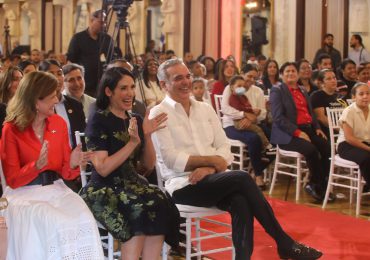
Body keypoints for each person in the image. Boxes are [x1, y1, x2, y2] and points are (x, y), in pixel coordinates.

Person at [150, 58, 323, 260]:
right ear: (163, 84)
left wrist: (211, 167)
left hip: (213, 178)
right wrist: (214, 162)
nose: (186, 82)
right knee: (241, 178)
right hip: (182, 185)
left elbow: (225, 148)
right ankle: (284, 243)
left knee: (240, 201)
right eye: (178, 78)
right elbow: (171, 159)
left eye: (188, 76)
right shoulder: (159, 113)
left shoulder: (205, 109)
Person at [0, 71, 103, 259]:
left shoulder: (58, 123)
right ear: (35, 101)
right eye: (51, 97)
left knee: (84, 218)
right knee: (55, 220)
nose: (57, 100)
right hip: (25, 194)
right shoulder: (12, 129)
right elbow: (12, 180)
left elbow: (65, 172)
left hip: (56, 189)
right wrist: (36, 166)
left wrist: (73, 163)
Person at [80, 67, 179, 259]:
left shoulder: (135, 119)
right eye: (123, 88)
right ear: (109, 92)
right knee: (138, 207)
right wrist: (132, 143)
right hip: (103, 189)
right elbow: (103, 168)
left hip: (132, 184)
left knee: (160, 200)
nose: (130, 93)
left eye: (132, 87)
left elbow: (148, 166)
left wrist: (148, 136)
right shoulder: (98, 120)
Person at [270, 62, 334, 202]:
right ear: (281, 75)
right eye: (287, 71)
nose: (290, 73)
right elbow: (278, 118)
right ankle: (317, 186)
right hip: (287, 134)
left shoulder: (302, 89)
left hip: (308, 129)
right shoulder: (277, 90)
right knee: (311, 150)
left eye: (293, 71)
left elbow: (310, 112)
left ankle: (318, 184)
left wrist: (317, 128)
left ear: (297, 74)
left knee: (327, 147)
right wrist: (297, 132)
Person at [221, 64, 271, 189]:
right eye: (249, 76)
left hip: (253, 123)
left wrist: (252, 119)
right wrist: (243, 114)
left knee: (275, 137)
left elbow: (263, 113)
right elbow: (225, 109)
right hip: (231, 124)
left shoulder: (257, 91)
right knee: (253, 138)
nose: (252, 80)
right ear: (242, 73)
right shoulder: (231, 88)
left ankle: (255, 168)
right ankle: (259, 176)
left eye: (255, 78)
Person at [39, 59, 86, 149]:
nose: (57, 78)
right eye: (51, 73)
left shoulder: (76, 105)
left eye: (59, 73)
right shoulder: (39, 106)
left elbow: (82, 137)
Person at [67, 9, 114, 97]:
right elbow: (71, 62)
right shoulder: (78, 38)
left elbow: (111, 61)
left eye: (105, 22)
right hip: (84, 85)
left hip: (104, 85)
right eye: (101, 22)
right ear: (92, 20)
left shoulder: (108, 39)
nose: (104, 25)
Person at [337, 82, 370, 188]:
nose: (365, 96)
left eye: (368, 93)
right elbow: (350, 138)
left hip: (364, 143)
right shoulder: (349, 111)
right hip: (346, 145)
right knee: (366, 158)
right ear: (354, 97)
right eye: (361, 94)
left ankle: (365, 186)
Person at [228, 75, 272, 151]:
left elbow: (248, 106)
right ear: (232, 87)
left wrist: (253, 111)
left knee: (265, 129)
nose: (241, 88)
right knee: (257, 130)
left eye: (243, 86)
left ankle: (263, 149)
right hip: (239, 121)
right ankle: (266, 145)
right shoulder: (233, 97)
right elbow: (240, 108)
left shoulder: (243, 96)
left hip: (247, 119)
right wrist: (250, 111)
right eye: (239, 86)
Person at [310, 69, 347, 138]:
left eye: (334, 77)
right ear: (321, 83)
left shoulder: (339, 96)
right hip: (327, 131)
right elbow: (321, 118)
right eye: (328, 79)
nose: (333, 80)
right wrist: (340, 129)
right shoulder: (317, 96)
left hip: (343, 129)